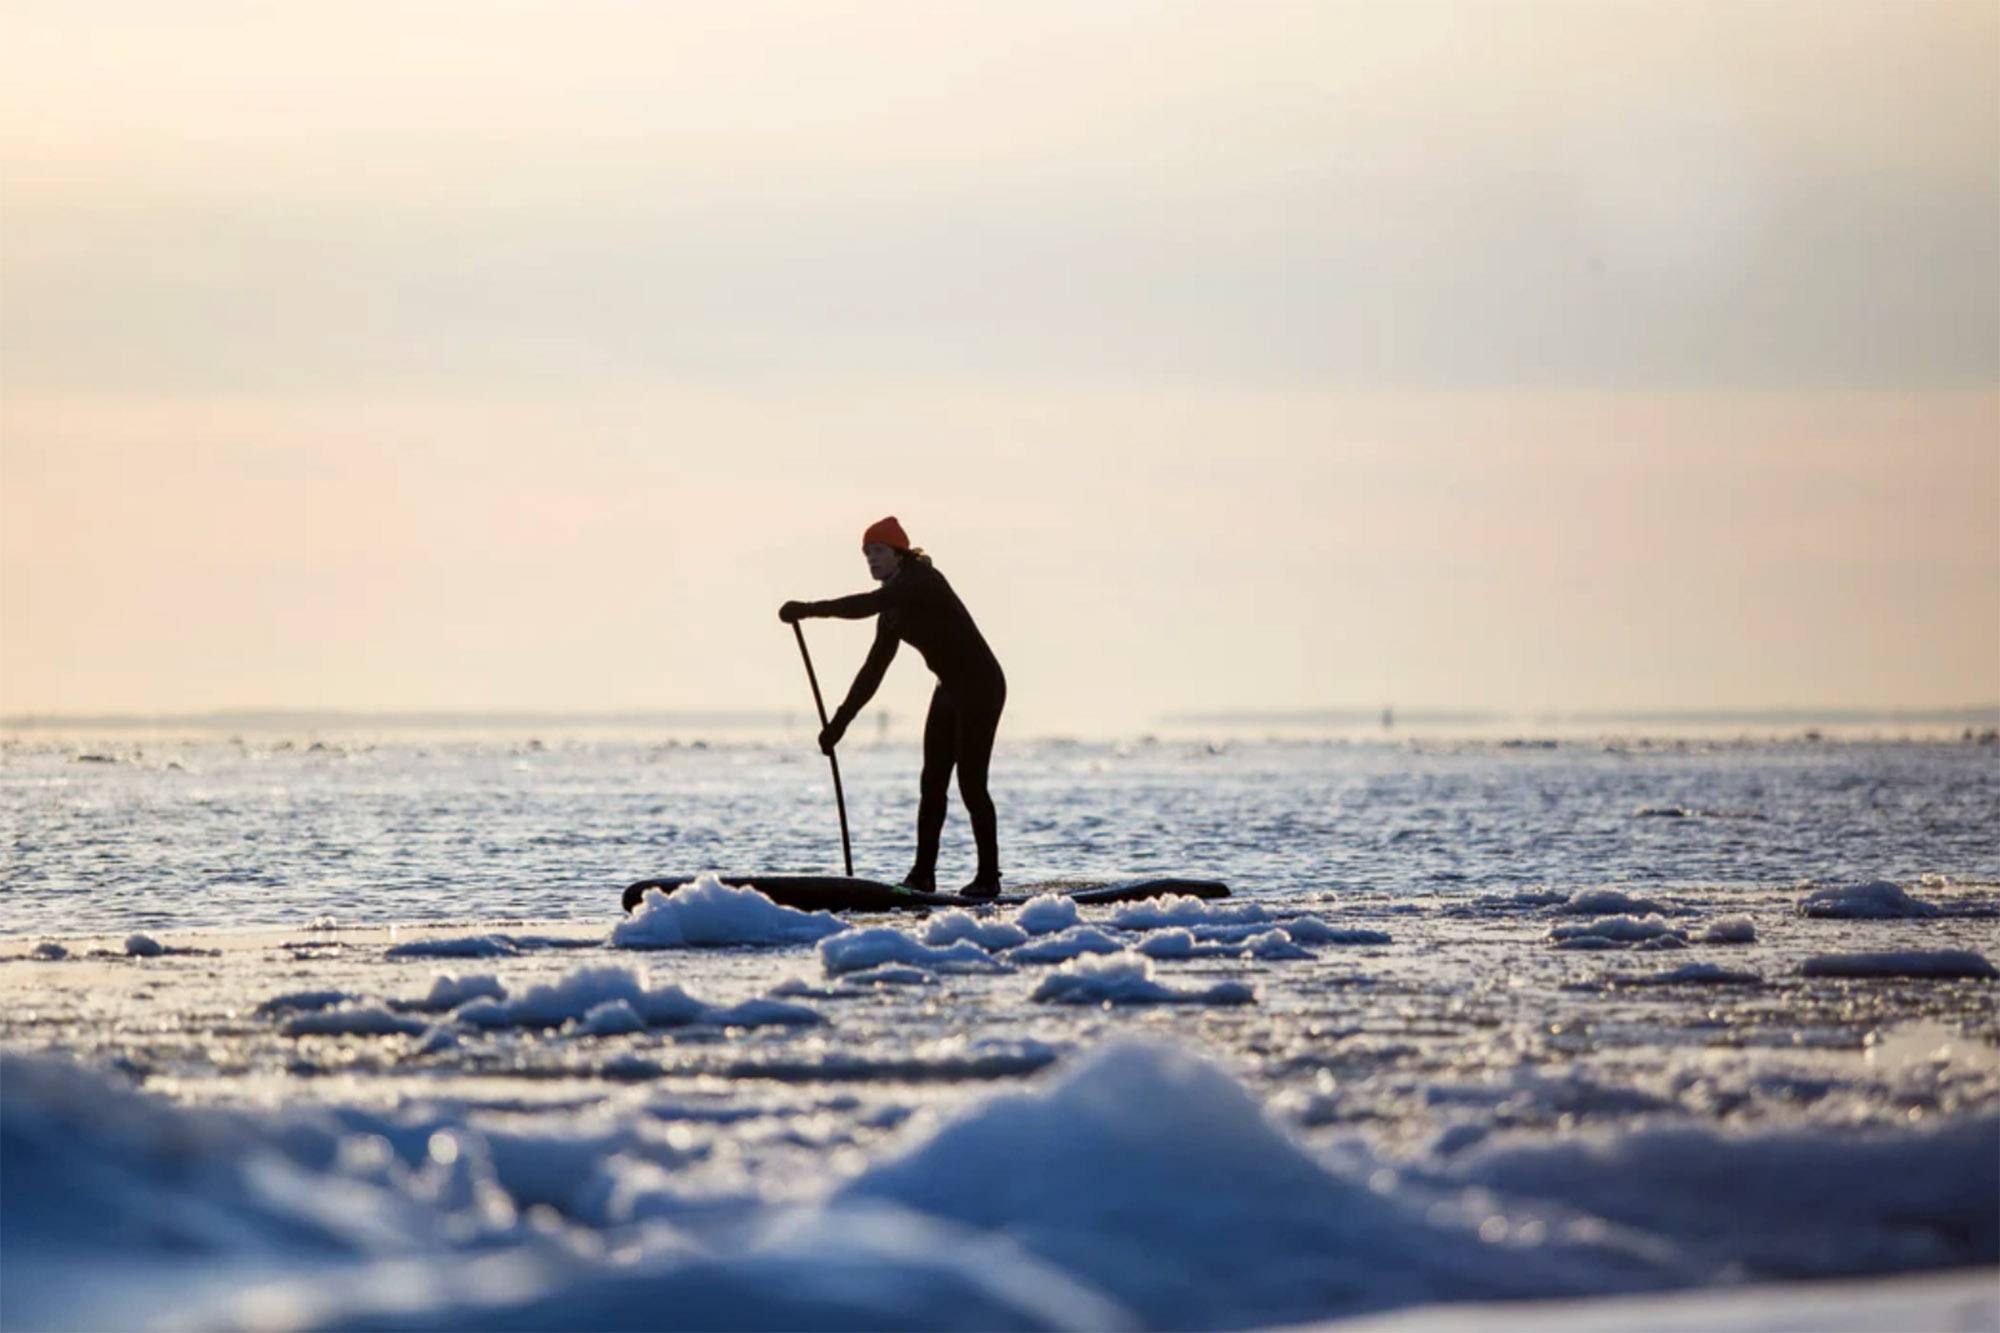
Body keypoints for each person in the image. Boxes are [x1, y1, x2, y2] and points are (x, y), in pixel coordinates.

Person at [780, 517, 1007, 897]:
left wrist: (809, 609)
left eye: (879, 551)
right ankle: (923, 875)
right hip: (949, 688)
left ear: (900, 553)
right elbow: (872, 671)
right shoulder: (892, 611)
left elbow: (867, 604)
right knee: (931, 784)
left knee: (971, 782)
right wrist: (840, 723)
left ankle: (988, 877)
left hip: (981, 685)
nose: (872, 559)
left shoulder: (921, 579)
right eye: (867, 553)